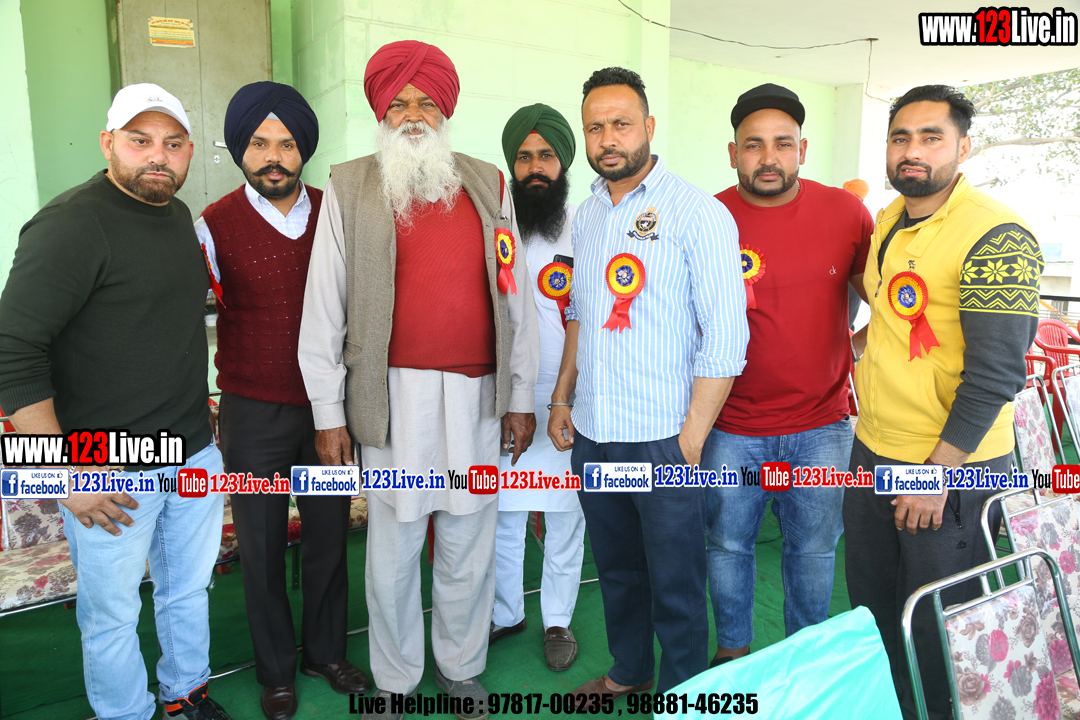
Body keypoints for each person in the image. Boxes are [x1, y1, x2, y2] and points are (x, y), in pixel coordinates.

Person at [297, 40, 539, 720]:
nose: (412, 115)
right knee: (395, 548)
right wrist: (328, 414)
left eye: (425, 102)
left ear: (445, 110)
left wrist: (521, 396)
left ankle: (461, 668)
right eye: (398, 102)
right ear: (380, 111)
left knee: (469, 539)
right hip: (391, 399)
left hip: (477, 398)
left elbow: (515, 298)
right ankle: (396, 679)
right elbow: (324, 306)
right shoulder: (349, 185)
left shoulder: (489, 183)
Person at [0, 84, 231, 720]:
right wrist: (65, 472)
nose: (158, 156)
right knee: (112, 615)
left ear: (189, 152)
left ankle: (185, 694)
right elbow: (12, 351)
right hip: (105, 467)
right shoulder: (71, 224)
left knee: (188, 592)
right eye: (140, 140)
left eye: (173, 144)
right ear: (108, 144)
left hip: (193, 454)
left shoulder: (177, 217)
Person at [547, 67, 748, 700]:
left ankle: (684, 695)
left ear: (649, 126)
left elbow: (727, 337)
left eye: (621, 124)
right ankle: (629, 672)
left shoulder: (698, 213)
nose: (608, 139)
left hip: (664, 440)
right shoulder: (586, 216)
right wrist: (563, 397)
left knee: (677, 580)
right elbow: (582, 314)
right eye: (595, 127)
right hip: (596, 434)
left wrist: (691, 439)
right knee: (617, 570)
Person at [843, 84, 1043, 720]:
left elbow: (996, 374)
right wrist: (842, 353)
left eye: (932, 137)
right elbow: (892, 319)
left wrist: (937, 474)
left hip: (949, 464)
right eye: (901, 137)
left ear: (963, 147)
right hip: (873, 448)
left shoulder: (997, 235)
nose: (913, 150)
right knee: (874, 605)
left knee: (938, 619)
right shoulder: (889, 220)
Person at [196, 82, 370, 720]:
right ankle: (275, 673)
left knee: (328, 539)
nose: (274, 157)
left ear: (304, 151)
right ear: (240, 149)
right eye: (260, 143)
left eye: (288, 144)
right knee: (262, 548)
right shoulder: (211, 225)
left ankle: (325, 654)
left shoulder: (336, 213)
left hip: (329, 413)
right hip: (252, 413)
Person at [703, 84, 873, 666]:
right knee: (728, 545)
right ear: (734, 153)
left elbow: (892, 306)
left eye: (782, 143)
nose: (768, 157)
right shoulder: (708, 216)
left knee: (814, 550)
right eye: (754, 145)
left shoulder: (846, 213)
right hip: (730, 425)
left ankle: (806, 660)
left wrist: (850, 351)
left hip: (823, 426)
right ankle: (732, 657)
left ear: (802, 149)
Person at [489, 103, 585, 673]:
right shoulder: (492, 222)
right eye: (523, 158)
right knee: (501, 512)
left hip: (567, 397)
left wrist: (563, 397)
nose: (534, 168)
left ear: (563, 161)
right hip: (502, 397)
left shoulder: (586, 224)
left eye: (546, 155)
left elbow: (587, 315)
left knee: (565, 514)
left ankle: (557, 619)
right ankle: (506, 612)